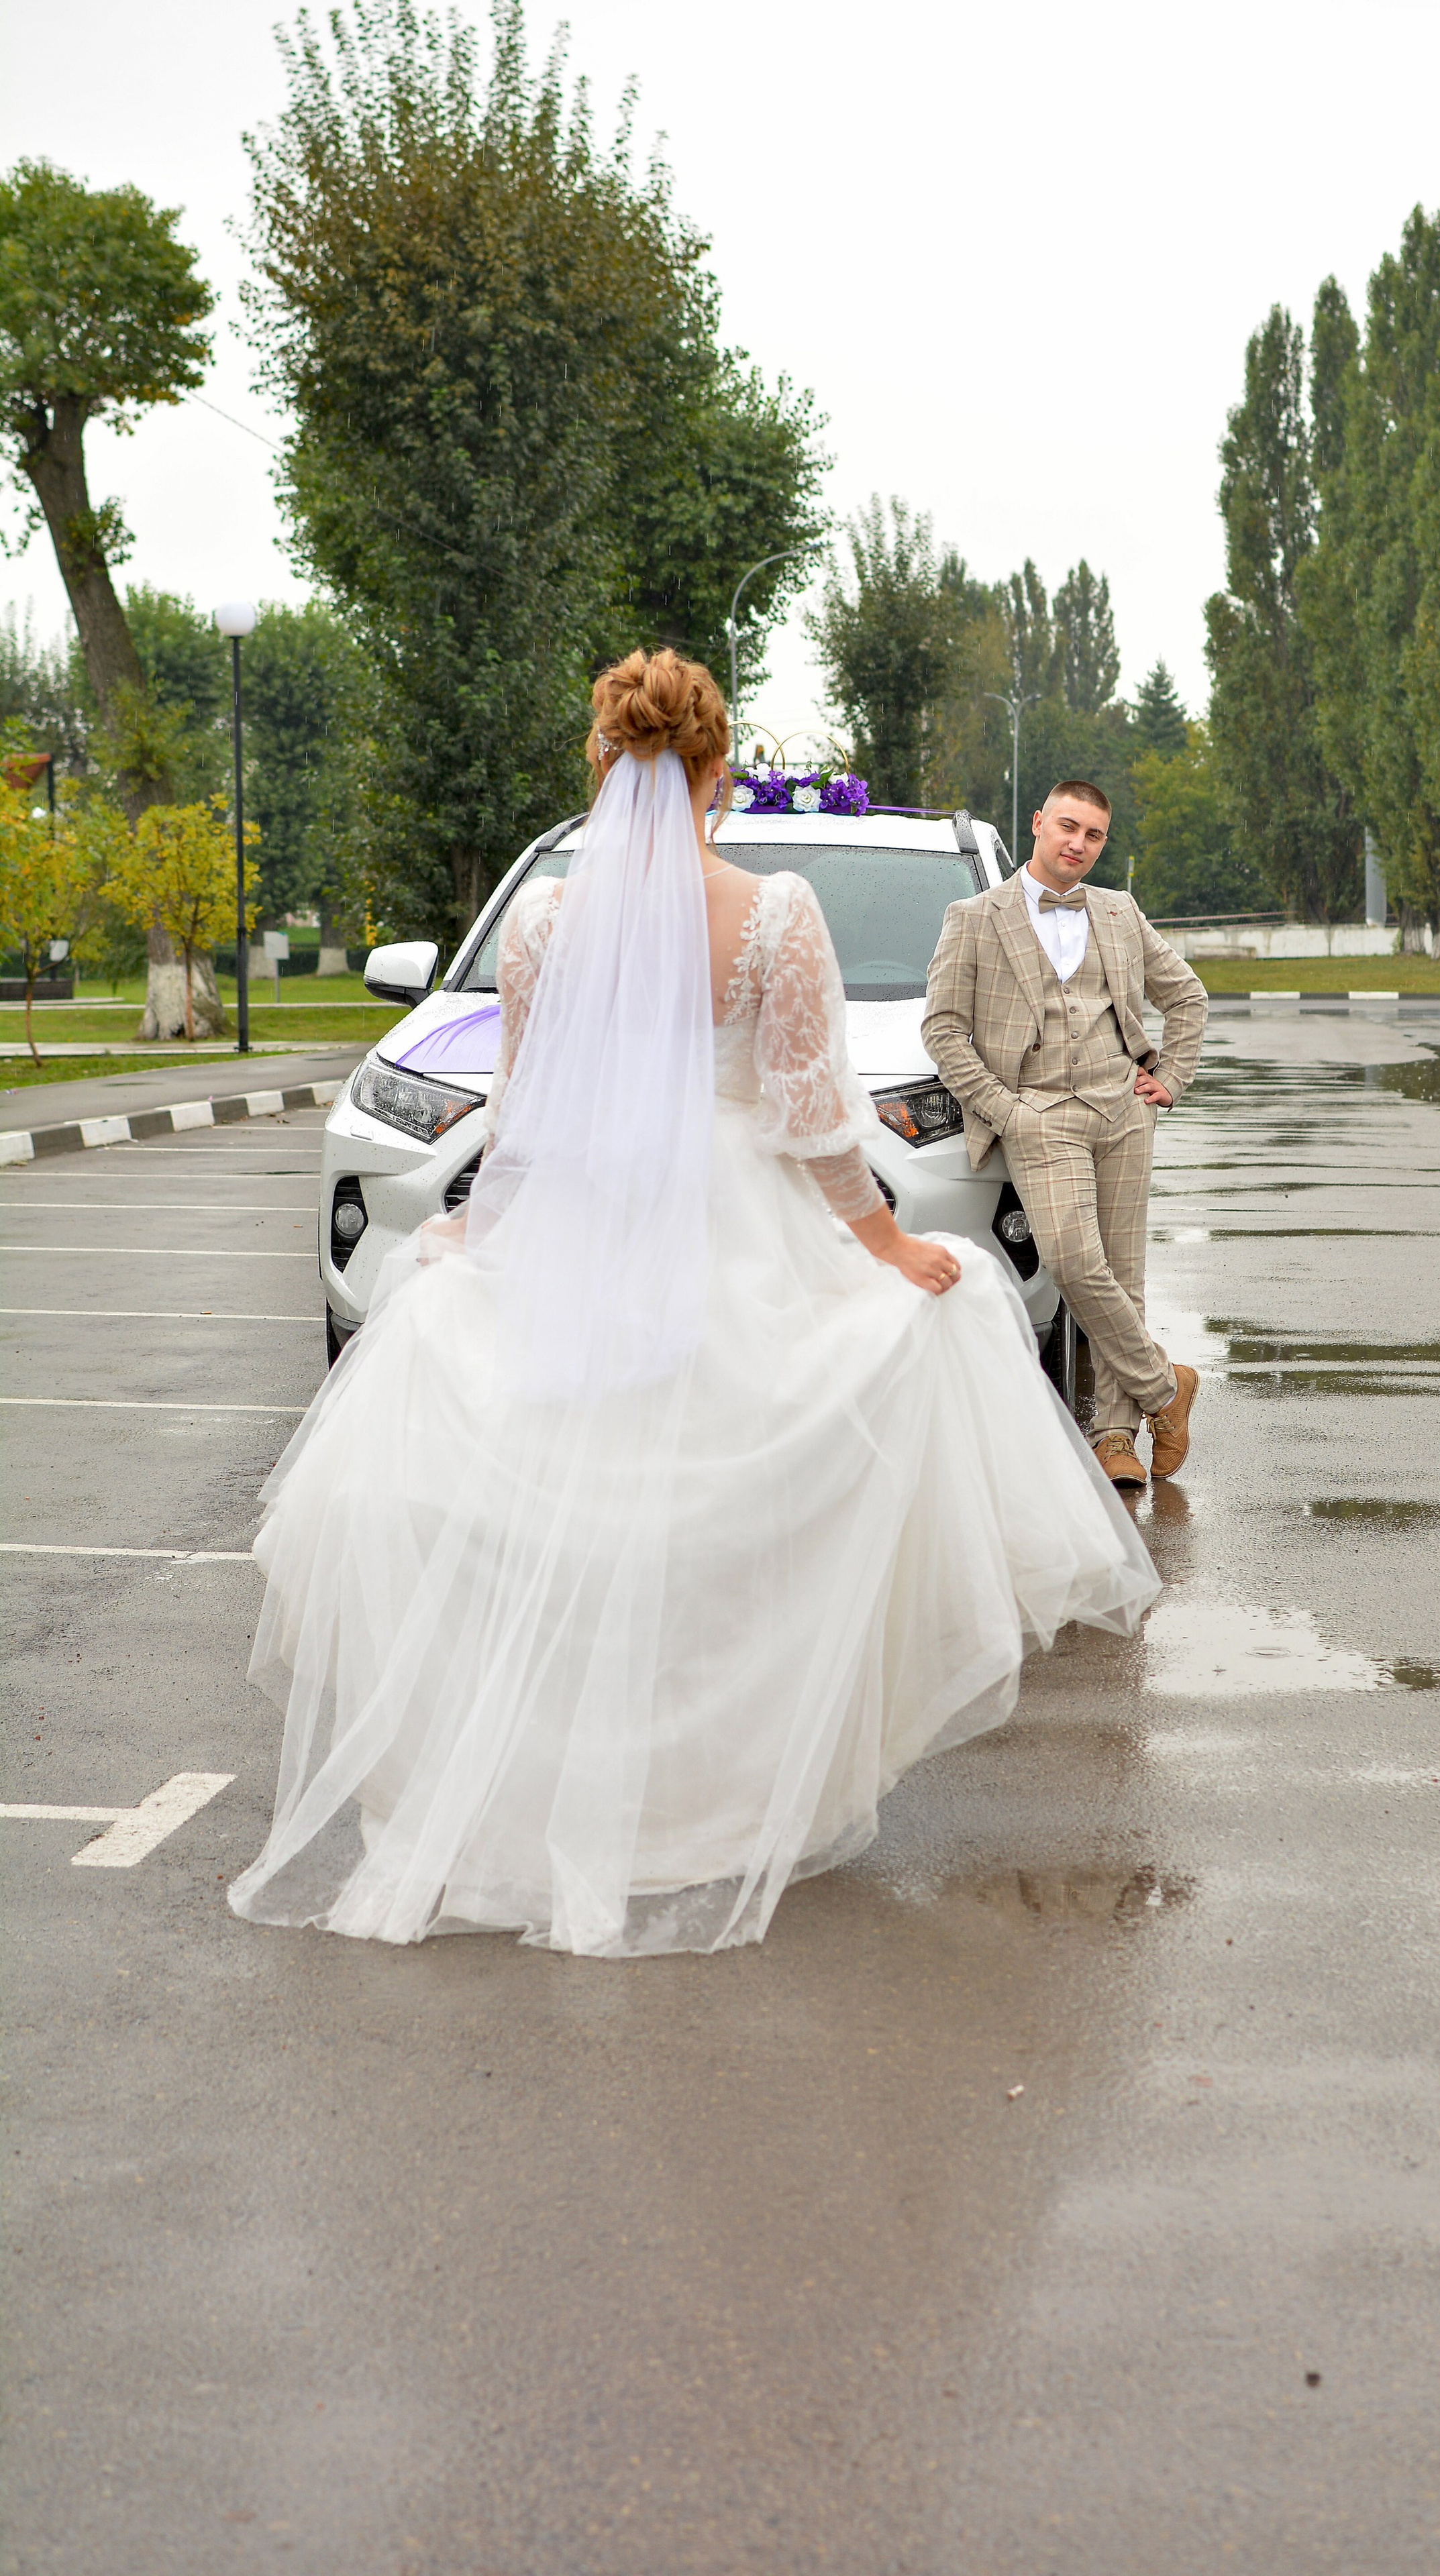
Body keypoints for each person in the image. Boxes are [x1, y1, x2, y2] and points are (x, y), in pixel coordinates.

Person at [228, 654, 1160, 1957]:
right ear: (715, 777)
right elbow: (816, 1121)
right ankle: (700, 1802)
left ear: (602, 767)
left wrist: (468, 1235)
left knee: (571, 1498)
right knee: (724, 1516)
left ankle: (557, 1790)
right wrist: (886, 1248)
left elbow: (529, 1121)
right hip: (736, 1228)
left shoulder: (547, 923)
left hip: (580, 1225)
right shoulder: (773, 915)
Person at [921, 780, 1208, 1489]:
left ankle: (1116, 1436)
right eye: (1068, 828)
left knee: (1123, 1274)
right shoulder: (973, 917)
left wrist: (1168, 1076)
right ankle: (1165, 1390)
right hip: (1036, 1111)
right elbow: (942, 1029)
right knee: (1074, 1263)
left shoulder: (1118, 911)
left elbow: (1187, 995)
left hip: (1121, 1107)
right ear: (1039, 823)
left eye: (1094, 836)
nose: (1078, 844)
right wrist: (1006, 1109)